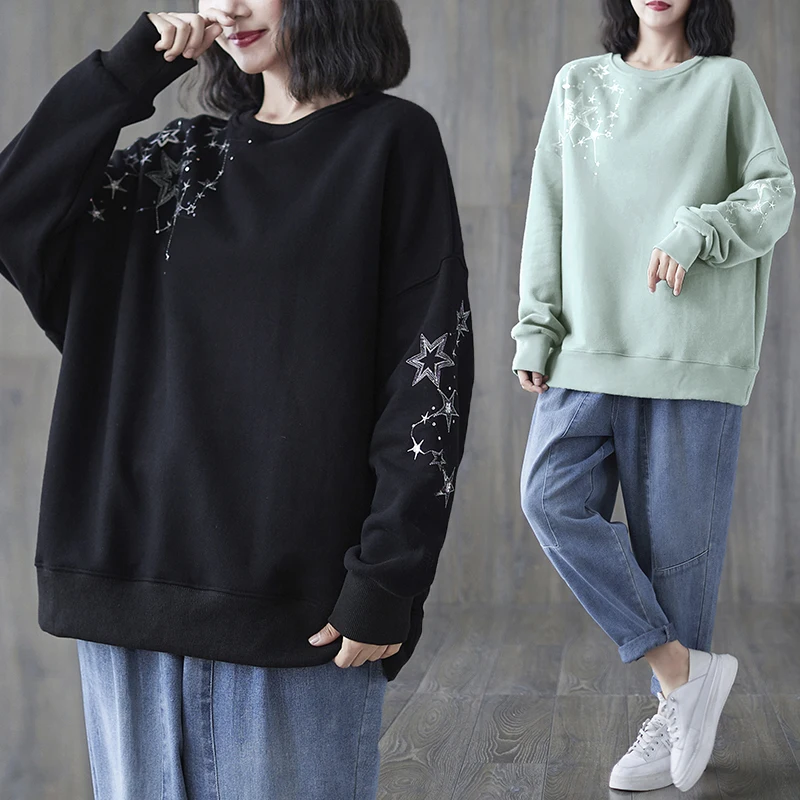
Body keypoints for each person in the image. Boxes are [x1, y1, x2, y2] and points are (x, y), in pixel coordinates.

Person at [0, 3, 474, 798]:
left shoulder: (390, 143)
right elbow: (13, 210)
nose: (230, 7)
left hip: (298, 610)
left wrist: (389, 577)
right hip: (127, 594)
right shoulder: (178, 159)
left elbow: (429, 371)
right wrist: (127, 73)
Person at [511, 0, 794, 793]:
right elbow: (548, 207)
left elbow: (774, 193)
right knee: (548, 499)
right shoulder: (578, 85)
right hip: (587, 350)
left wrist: (698, 230)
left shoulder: (727, 85)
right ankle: (681, 673)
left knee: (677, 562)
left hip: (691, 356)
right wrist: (536, 326)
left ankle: (675, 710)